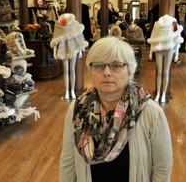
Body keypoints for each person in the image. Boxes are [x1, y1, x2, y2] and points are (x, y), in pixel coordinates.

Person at [59, 36, 173, 181]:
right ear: (90, 69)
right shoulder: (77, 111)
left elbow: (162, 170)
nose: (106, 72)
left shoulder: (151, 113)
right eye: (99, 65)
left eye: (116, 65)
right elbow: (67, 163)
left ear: (130, 70)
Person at [50, 13, 89, 100]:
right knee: (66, 70)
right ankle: (67, 91)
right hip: (63, 48)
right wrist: (55, 50)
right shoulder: (58, 24)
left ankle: (72, 90)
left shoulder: (74, 23)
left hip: (73, 47)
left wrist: (80, 49)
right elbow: (56, 36)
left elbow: (79, 35)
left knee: (72, 69)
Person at [147, 15, 183, 104]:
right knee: (159, 72)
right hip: (159, 49)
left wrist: (177, 53)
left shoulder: (173, 23)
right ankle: (158, 93)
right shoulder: (157, 25)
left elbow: (177, 39)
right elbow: (153, 38)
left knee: (166, 72)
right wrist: (151, 52)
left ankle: (163, 94)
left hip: (169, 49)